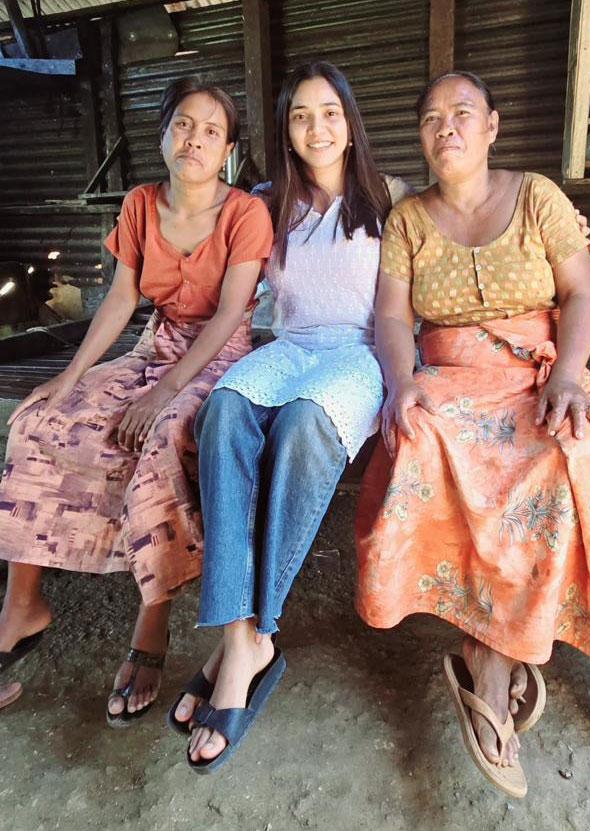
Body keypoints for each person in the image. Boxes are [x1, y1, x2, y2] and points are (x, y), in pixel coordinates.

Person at [355, 71, 590, 798]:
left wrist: (567, 373)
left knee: (570, 453)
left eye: (462, 112)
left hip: (539, 371)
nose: (447, 127)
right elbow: (389, 315)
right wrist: (402, 378)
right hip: (448, 375)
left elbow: (579, 293)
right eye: (432, 116)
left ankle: (491, 655)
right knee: (418, 436)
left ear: (492, 125)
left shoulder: (536, 196)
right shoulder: (406, 219)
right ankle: (493, 657)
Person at [0, 76, 273, 726]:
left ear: (229, 148)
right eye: (183, 124)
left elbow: (232, 312)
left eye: (211, 130)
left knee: (159, 441)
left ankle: (151, 624)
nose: (195, 139)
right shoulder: (141, 204)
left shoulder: (244, 214)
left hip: (218, 358)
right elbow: (122, 300)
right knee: (40, 423)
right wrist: (69, 378)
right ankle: (22, 604)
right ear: (162, 134)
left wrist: (164, 393)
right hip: (154, 347)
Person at [167, 60, 395, 771]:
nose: (316, 127)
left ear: (350, 124)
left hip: (360, 355)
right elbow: (186, 216)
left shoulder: (394, 200)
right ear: (285, 131)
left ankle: (251, 638)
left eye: (329, 112)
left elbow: (468, 223)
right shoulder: (263, 203)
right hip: (290, 346)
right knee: (225, 411)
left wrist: (560, 227)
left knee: (299, 427)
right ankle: (243, 637)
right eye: (300, 115)